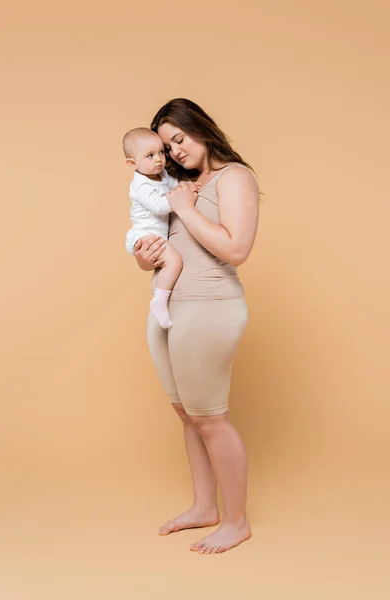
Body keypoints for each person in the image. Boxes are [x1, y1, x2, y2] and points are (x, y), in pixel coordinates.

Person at [133, 98, 260, 554]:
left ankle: (236, 521)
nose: (175, 152)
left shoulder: (235, 178)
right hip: (169, 307)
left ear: (200, 127)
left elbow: (236, 248)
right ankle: (205, 507)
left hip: (211, 308)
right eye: (166, 147)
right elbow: (167, 242)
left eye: (180, 139)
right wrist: (143, 255)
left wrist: (184, 209)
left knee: (211, 418)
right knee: (186, 413)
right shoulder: (175, 186)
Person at [124, 127, 198, 328]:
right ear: (133, 163)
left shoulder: (162, 173)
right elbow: (158, 206)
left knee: (171, 262)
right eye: (150, 156)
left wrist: (187, 186)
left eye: (161, 153)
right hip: (144, 235)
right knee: (174, 262)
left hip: (155, 234)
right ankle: (159, 301)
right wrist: (182, 198)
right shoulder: (141, 184)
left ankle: (160, 300)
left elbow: (175, 186)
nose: (159, 159)